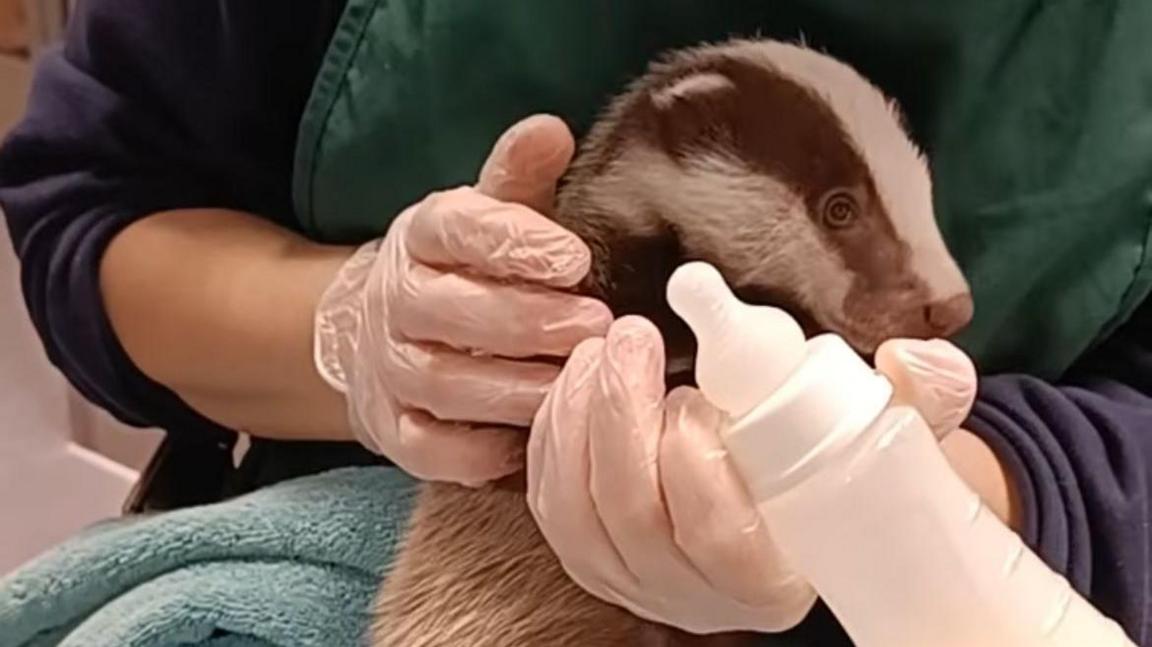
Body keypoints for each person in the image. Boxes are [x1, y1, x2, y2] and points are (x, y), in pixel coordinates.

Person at [0, 2, 1147, 644]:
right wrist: (350, 329)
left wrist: (929, 494)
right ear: (687, 148)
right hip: (363, 524)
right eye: (844, 212)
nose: (943, 293)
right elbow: (94, 191)